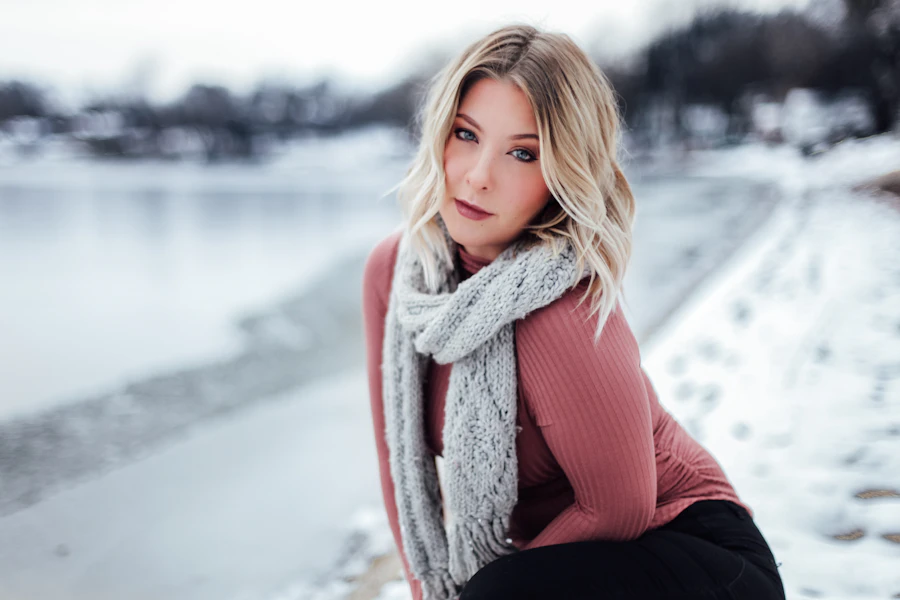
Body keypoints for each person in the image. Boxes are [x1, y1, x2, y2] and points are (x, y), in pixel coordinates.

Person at [361, 23, 786, 600]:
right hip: (562, 563)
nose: (478, 176)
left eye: (522, 153)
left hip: (694, 554)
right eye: (466, 134)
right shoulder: (397, 273)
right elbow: (398, 458)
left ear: (562, 174)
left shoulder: (562, 305)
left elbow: (619, 509)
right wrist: (428, 589)